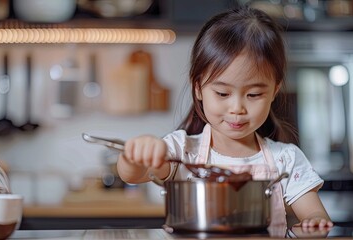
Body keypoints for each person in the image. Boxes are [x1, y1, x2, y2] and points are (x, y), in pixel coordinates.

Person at [116, 6, 333, 230]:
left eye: (254, 95)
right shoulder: (182, 150)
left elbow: (314, 214)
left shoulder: (285, 159)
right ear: (198, 88)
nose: (237, 108)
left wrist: (314, 224)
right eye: (222, 93)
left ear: (274, 92)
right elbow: (132, 175)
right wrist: (135, 157)